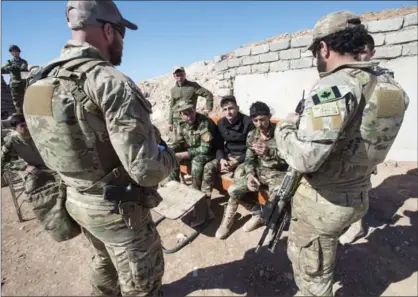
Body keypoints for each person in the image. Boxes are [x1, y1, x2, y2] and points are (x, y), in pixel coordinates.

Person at [22, 1, 178, 296]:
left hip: (76, 202)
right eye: (121, 33)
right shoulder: (109, 83)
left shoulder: (39, 82)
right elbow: (147, 171)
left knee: (104, 264)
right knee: (142, 285)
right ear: (108, 30)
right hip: (117, 212)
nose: (122, 42)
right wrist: (167, 153)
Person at [274, 11, 409, 296]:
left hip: (323, 204)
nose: (316, 60)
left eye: (316, 52)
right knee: (325, 251)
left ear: (324, 48)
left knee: (313, 278)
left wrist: (284, 128)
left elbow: (304, 158)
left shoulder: (336, 86)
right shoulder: (389, 84)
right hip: (358, 194)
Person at [216, 101, 288, 240]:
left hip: (279, 174)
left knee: (276, 201)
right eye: (255, 120)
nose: (259, 124)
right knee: (233, 190)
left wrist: (269, 152)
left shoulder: (281, 133)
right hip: (260, 172)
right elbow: (249, 159)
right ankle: (252, 213)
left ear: (269, 117)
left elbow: (291, 157)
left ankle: (267, 220)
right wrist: (250, 175)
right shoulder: (252, 135)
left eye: (263, 120)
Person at [166, 100, 218, 227]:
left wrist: (184, 154)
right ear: (181, 115)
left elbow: (206, 149)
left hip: (208, 154)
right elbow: (179, 142)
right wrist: (172, 150)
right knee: (171, 155)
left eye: (191, 112)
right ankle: (174, 192)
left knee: (197, 162)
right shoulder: (181, 123)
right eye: (185, 113)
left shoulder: (204, 123)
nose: (189, 116)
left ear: (195, 110)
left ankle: (198, 205)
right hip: (191, 151)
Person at [201, 95, 254, 201]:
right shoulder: (221, 123)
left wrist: (237, 161)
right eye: (225, 109)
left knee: (238, 176)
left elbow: (252, 148)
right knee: (208, 167)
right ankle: (205, 202)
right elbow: (219, 145)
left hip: (244, 157)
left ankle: (249, 205)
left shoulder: (248, 122)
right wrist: (221, 159)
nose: (228, 112)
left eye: (231, 108)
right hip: (228, 155)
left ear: (237, 108)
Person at [1, 114, 50, 193]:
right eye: (23, 125)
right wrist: (24, 167)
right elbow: (2, 163)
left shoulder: (40, 133)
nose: (28, 127)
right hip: (35, 169)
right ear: (14, 129)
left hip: (53, 165)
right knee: (33, 190)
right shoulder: (12, 142)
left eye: (28, 124)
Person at [168, 66, 214, 139]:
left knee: (193, 140)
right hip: (177, 121)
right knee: (179, 141)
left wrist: (208, 108)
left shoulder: (193, 86)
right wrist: (170, 122)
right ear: (174, 76)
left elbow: (208, 94)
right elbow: (172, 107)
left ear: (185, 74)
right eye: (177, 75)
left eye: (181, 74)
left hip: (190, 119)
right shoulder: (173, 90)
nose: (180, 77)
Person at [1, 45, 28, 115]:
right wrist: (10, 67)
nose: (15, 53)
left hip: (23, 83)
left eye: (16, 51)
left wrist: (21, 68)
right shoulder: (9, 62)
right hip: (14, 84)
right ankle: (20, 115)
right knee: (16, 101)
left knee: (25, 99)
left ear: (19, 52)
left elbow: (25, 73)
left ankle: (25, 114)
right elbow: (3, 68)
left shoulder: (24, 62)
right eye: (13, 52)